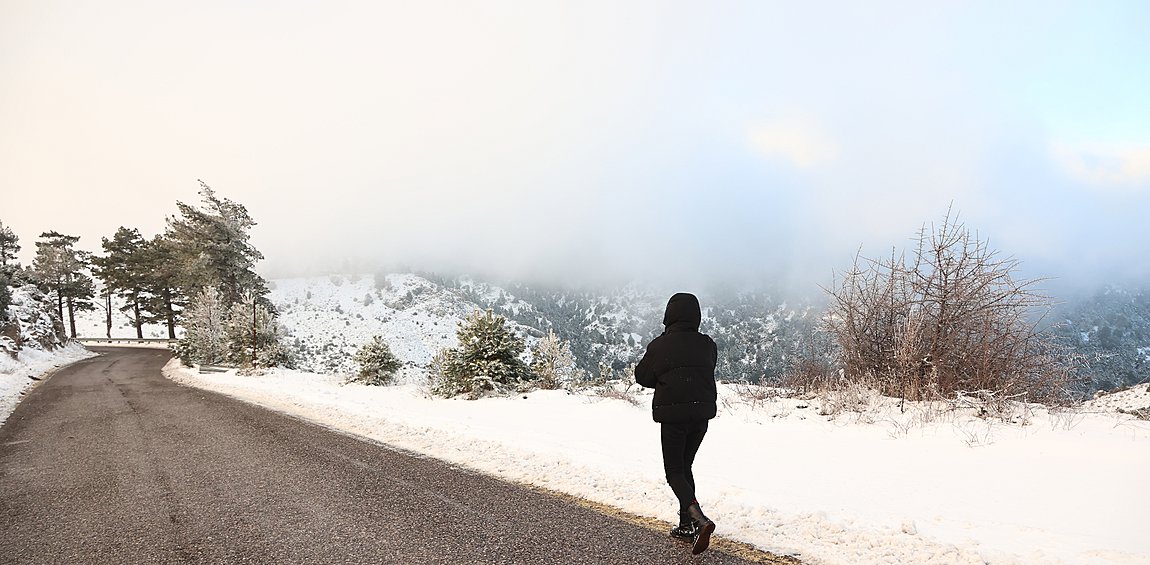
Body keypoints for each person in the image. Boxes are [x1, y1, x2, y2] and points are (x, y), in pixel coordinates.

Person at [634, 292, 718, 555]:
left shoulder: (660, 346)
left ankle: (699, 519)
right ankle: (686, 524)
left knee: (674, 472)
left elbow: (643, 376)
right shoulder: (707, 344)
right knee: (685, 466)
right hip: (700, 416)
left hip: (673, 418)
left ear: (669, 315)